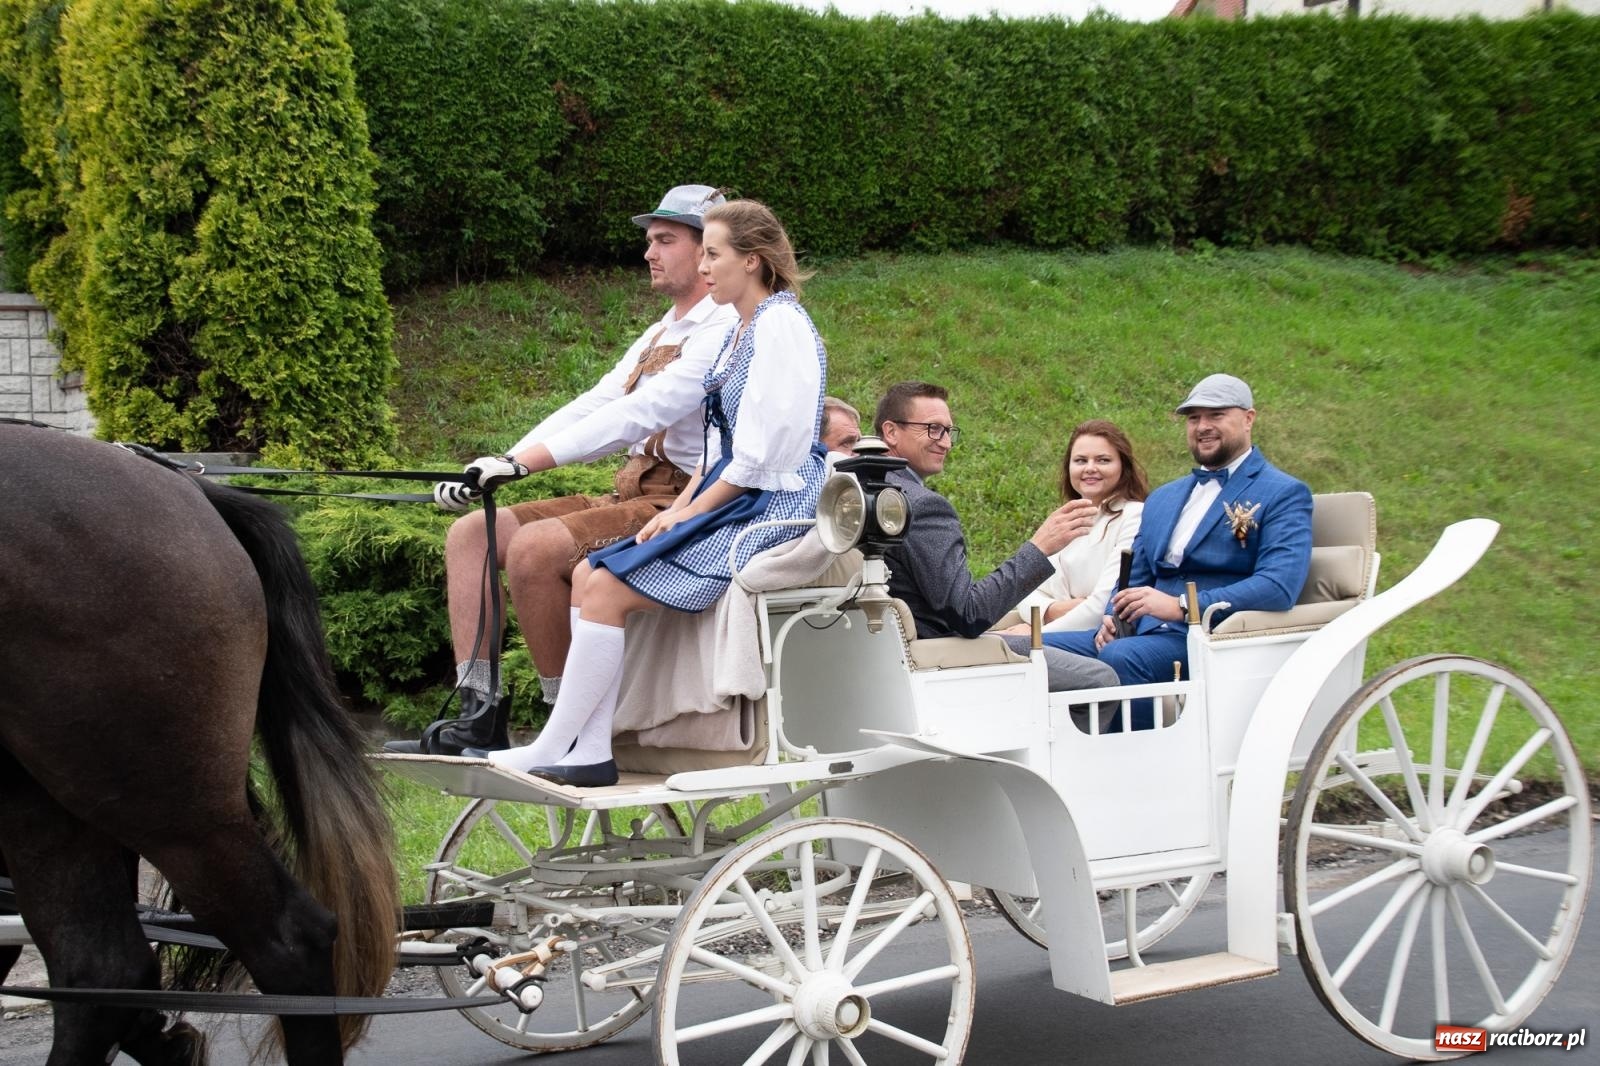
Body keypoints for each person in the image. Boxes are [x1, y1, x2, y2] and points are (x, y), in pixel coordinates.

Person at [481, 200, 829, 785]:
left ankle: (556, 741)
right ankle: (588, 749)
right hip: (731, 490)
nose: (706, 266)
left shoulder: (780, 325)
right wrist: (685, 506)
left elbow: (759, 458)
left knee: (609, 586)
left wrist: (688, 513)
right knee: (593, 574)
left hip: (771, 503)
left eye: (714, 254)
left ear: (753, 260)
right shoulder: (740, 330)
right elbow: (716, 452)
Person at [386, 184, 737, 756]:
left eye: (665, 239)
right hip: (631, 493)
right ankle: (481, 713)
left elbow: (639, 414)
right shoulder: (660, 332)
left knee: (535, 549)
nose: (649, 252)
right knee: (473, 533)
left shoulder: (724, 328)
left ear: (706, 252)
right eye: (649, 239)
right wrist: (494, 464)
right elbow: (598, 400)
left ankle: (564, 728)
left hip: (686, 503)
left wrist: (520, 465)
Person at [1044, 374, 1312, 715]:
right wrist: (1113, 616)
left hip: (1209, 638)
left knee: (1121, 657)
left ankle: (1129, 762)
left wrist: (1182, 606)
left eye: (1216, 415)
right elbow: (1135, 572)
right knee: (1029, 651)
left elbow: (1278, 586)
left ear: (1249, 419)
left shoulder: (1282, 493)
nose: (1203, 426)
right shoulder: (1165, 497)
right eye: (1194, 417)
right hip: (1140, 632)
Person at [875, 382, 1118, 692]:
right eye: (934, 429)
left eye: (949, 431)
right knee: (1101, 680)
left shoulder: (860, 494)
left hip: (894, 649)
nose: (946, 443)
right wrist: (1040, 547)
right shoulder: (922, 505)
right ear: (891, 432)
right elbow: (969, 614)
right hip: (938, 656)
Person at [1002, 420, 1149, 635]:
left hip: (1096, 638)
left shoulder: (1134, 515)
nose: (1090, 468)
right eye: (1080, 460)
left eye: (1103, 460)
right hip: (1054, 630)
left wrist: (1036, 635)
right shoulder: (1065, 519)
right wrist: (1053, 610)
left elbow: (1105, 604)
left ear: (1123, 467)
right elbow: (1025, 592)